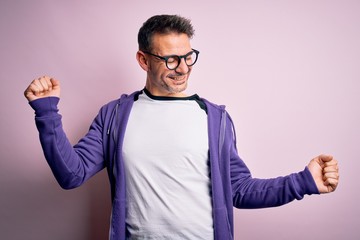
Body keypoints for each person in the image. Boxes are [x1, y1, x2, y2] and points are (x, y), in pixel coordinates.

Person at [24, 15, 339, 240]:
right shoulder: (116, 116)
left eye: (188, 57)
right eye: (171, 60)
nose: (184, 68)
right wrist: (47, 113)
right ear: (143, 60)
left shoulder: (214, 119)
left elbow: (239, 190)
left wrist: (303, 181)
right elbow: (71, 174)